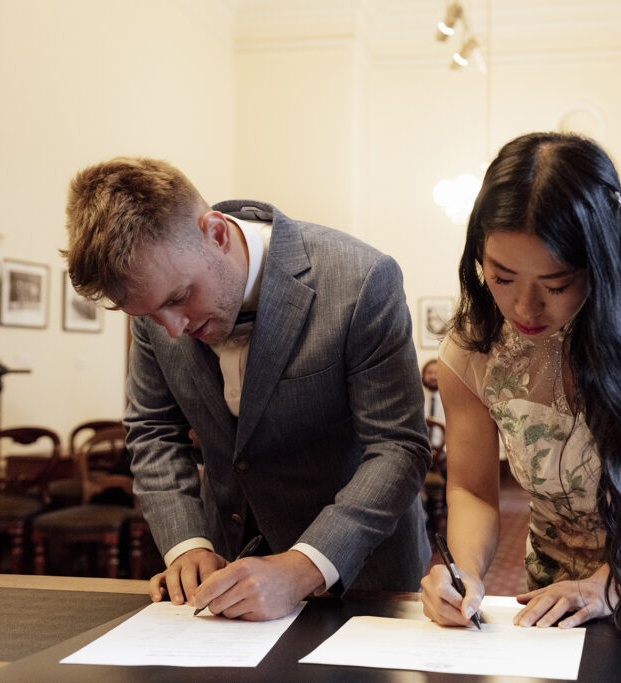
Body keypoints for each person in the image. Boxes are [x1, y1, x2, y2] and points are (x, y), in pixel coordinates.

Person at [63, 157, 431, 620]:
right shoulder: (157, 309)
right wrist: (187, 545)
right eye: (150, 314)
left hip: (362, 572)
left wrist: (304, 565)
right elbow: (154, 431)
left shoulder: (361, 280)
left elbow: (398, 446)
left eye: (178, 298)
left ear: (215, 233)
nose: (172, 329)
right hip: (226, 573)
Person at [419, 132, 621, 636]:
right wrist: (466, 573)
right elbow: (473, 491)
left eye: (557, 284)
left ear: (603, 261)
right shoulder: (473, 348)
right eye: (501, 278)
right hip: (553, 600)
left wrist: (608, 583)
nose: (524, 309)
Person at [422, 358, 445, 449]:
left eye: (436, 373)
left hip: (445, 453)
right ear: (423, 375)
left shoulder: (450, 403)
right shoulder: (417, 401)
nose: (433, 377)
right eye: (429, 373)